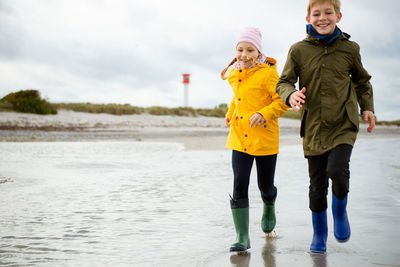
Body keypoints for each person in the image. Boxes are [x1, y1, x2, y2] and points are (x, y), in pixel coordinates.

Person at [276, 0, 375, 254]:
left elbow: (363, 82)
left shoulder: (350, 49)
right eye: (316, 13)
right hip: (313, 127)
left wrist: (368, 108)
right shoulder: (298, 50)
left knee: (337, 171)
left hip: (343, 122)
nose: (322, 18)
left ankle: (340, 213)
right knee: (317, 186)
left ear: (338, 16)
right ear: (308, 18)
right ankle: (319, 233)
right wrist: (291, 95)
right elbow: (284, 82)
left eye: (328, 13)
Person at [221, 27, 289, 252]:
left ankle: (269, 203)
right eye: (240, 49)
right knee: (239, 184)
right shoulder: (234, 73)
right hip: (240, 137)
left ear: (258, 51)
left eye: (250, 49)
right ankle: (242, 237)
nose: (244, 54)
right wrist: (231, 113)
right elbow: (238, 98)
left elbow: (281, 102)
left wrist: (263, 114)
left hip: (265, 139)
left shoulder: (269, 74)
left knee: (265, 186)